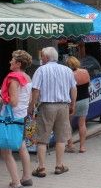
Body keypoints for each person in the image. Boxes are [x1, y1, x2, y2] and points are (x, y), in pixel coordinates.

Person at [28, 47, 77, 178]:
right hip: (63, 106)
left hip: (47, 106)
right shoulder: (67, 70)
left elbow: (35, 90)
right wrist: (73, 103)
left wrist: (31, 105)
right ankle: (59, 165)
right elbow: (73, 88)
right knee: (61, 137)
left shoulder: (41, 70)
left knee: (42, 138)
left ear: (47, 57)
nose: (41, 58)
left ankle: (41, 167)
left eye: (42, 56)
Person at [0, 50, 33, 188]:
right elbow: (27, 99)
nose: (10, 62)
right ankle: (27, 177)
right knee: (21, 146)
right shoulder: (27, 77)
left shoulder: (13, 79)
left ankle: (16, 184)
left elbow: (13, 102)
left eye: (12, 60)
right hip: (21, 117)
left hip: (10, 118)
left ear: (18, 64)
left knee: (6, 151)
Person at [65, 57, 90, 154]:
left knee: (68, 123)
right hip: (85, 99)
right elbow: (88, 84)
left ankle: (70, 145)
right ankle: (82, 146)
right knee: (82, 124)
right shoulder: (85, 71)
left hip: (72, 101)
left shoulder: (69, 74)